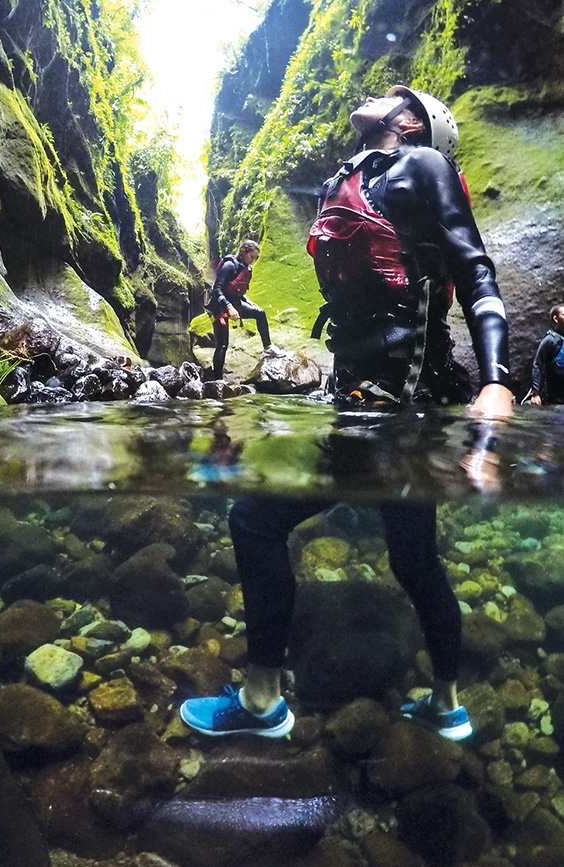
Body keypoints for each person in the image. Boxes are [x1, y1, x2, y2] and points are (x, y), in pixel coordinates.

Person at [181, 86, 512, 741]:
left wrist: (498, 380)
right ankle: (446, 704)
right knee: (414, 561)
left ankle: (261, 701)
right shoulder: (350, 176)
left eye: (394, 95)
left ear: (412, 121)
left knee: (254, 518)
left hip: (402, 403)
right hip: (362, 401)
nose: (376, 95)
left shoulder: (423, 165)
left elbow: (475, 271)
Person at [205, 240, 285, 379]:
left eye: (255, 258)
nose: (252, 261)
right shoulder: (229, 265)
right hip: (218, 307)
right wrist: (229, 307)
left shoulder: (246, 268)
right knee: (223, 344)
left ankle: (268, 348)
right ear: (243, 253)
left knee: (260, 313)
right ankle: (217, 380)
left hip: (235, 302)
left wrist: (247, 302)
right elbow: (216, 289)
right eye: (251, 257)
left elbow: (238, 291)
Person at [529, 304, 564, 405]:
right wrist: (536, 394)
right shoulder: (550, 340)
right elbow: (537, 365)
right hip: (555, 396)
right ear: (556, 319)